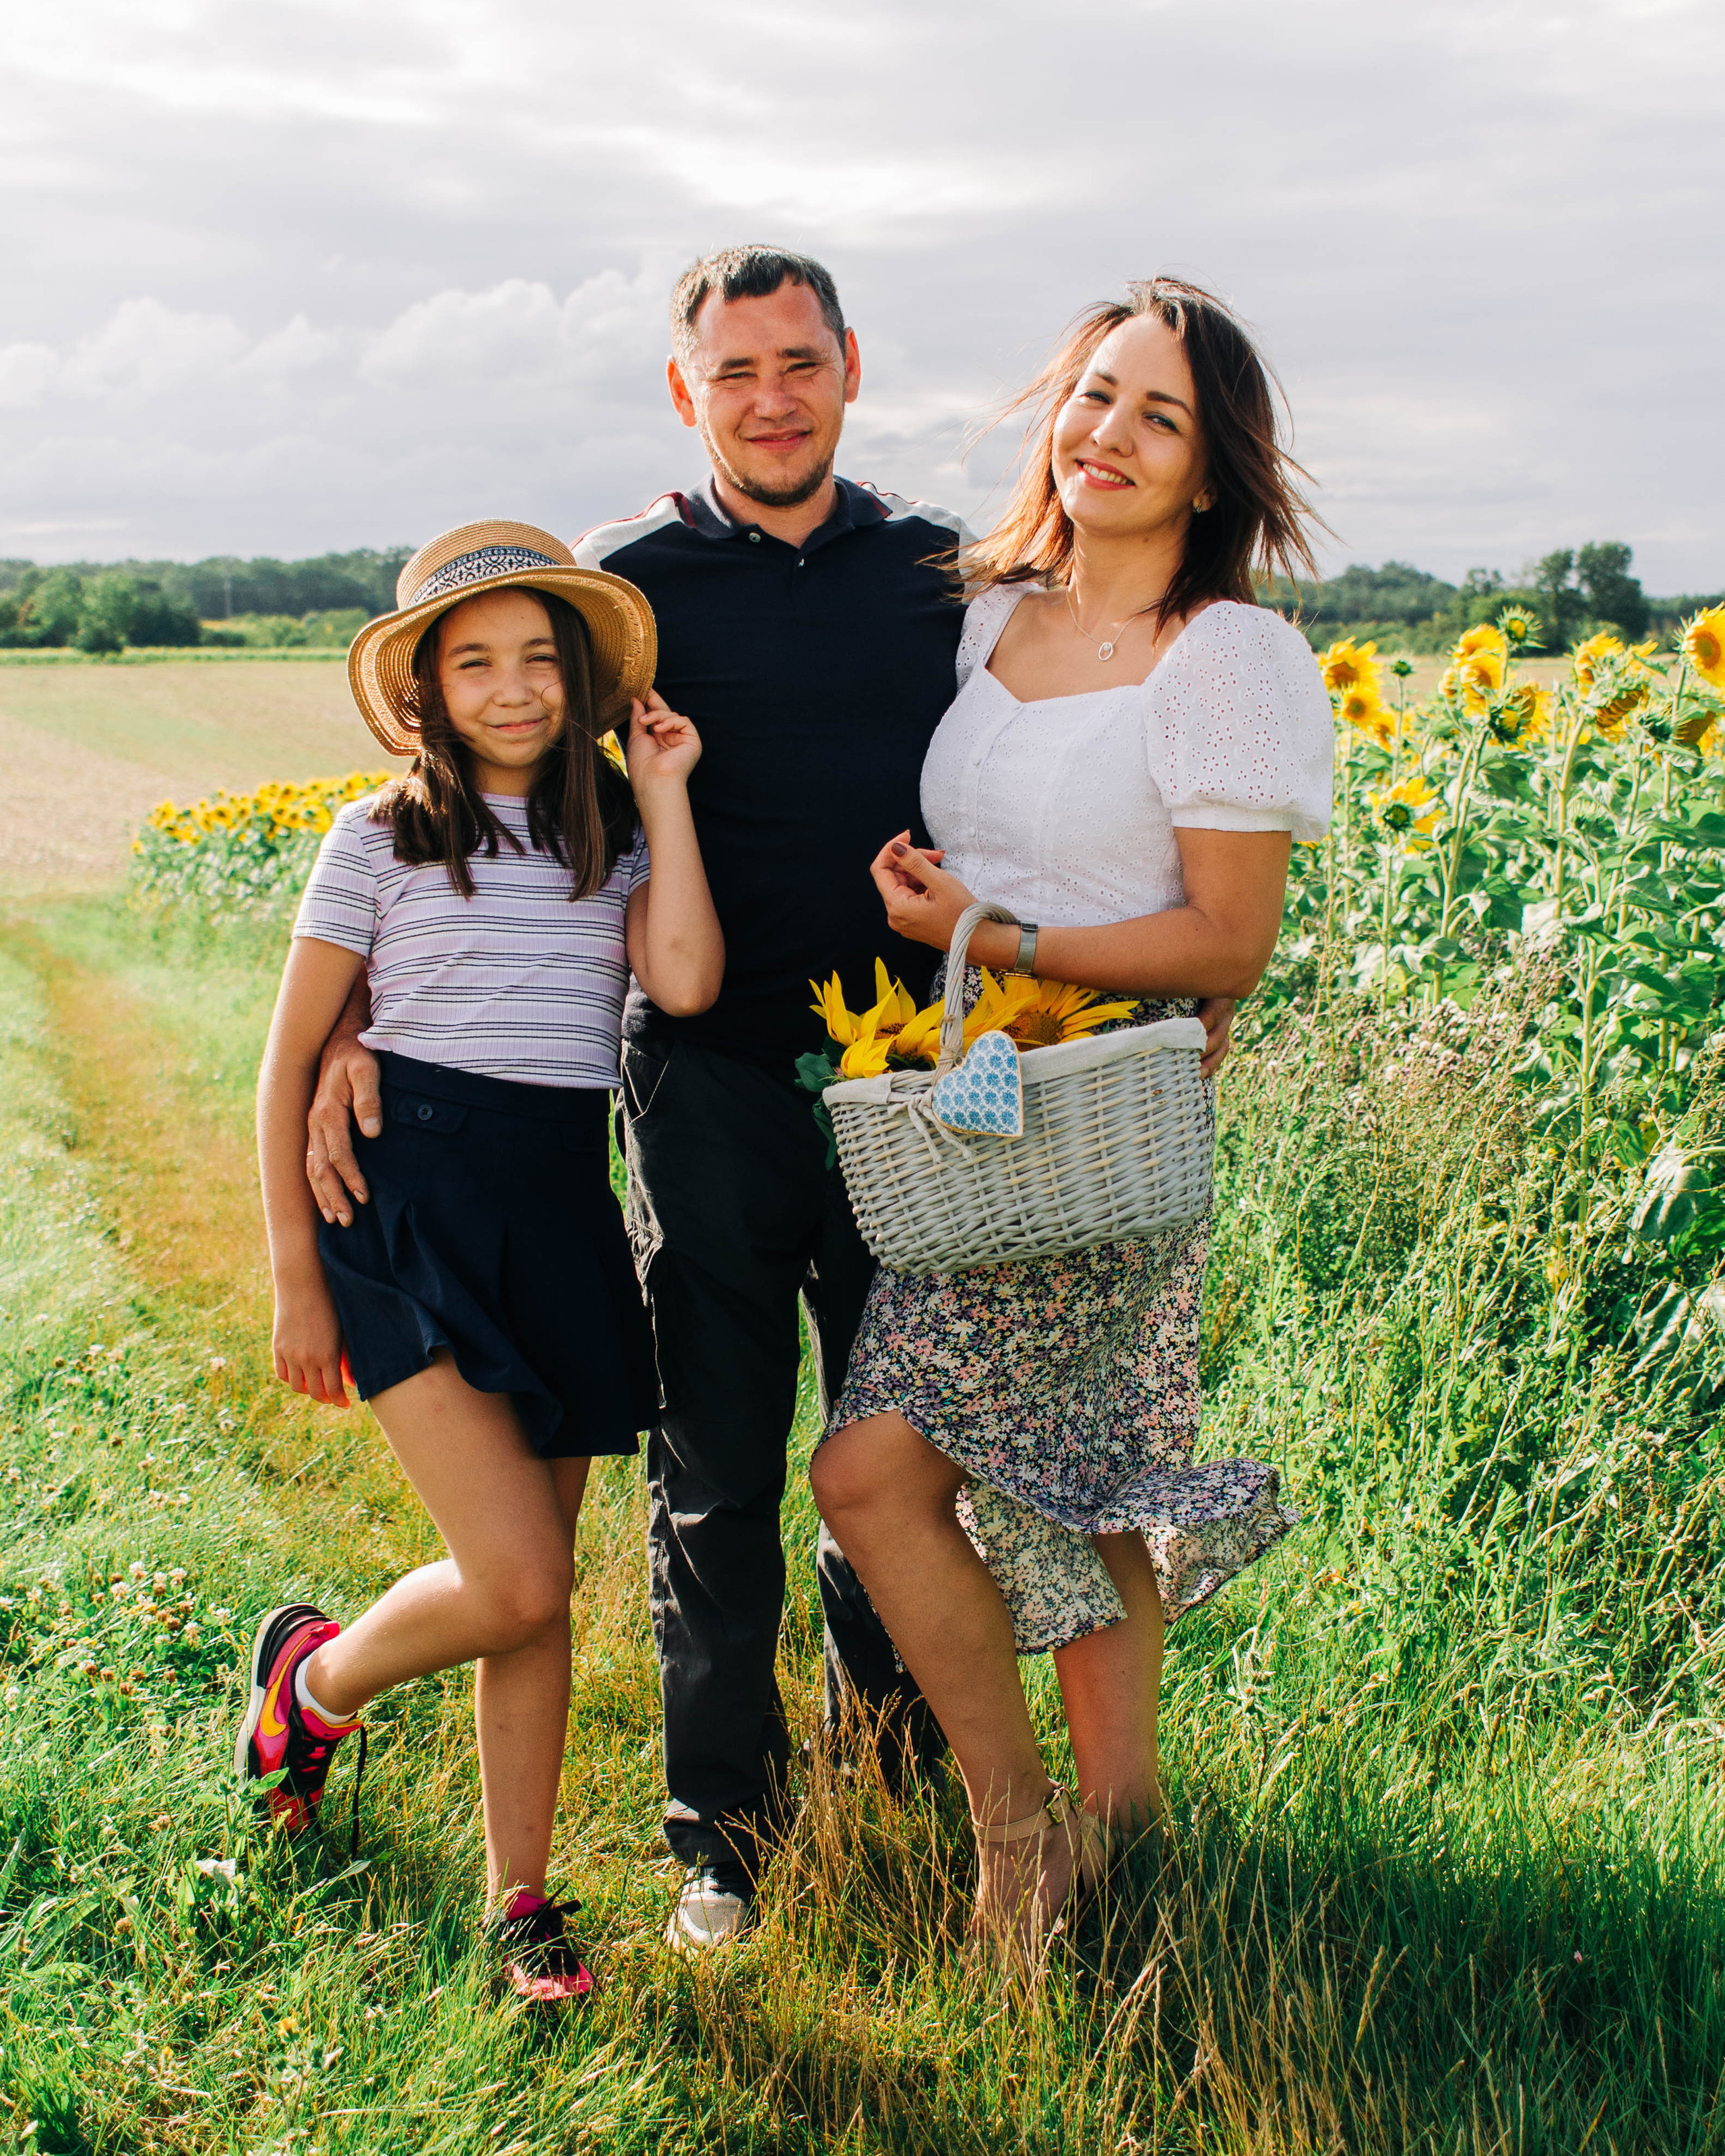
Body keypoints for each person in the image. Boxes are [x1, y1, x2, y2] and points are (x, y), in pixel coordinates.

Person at [303, 249, 1236, 1952]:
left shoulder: (937, 579)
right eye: (733, 372)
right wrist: (364, 1009)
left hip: (918, 1100)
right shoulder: (631, 593)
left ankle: (888, 1771)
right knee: (717, 1465)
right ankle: (722, 1833)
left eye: (797, 361)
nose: (770, 395)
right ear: (686, 394)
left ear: (850, 368)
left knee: (897, 1468)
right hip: (709, 1085)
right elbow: (492, 807)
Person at [810, 277, 1332, 1959]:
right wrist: (944, 910)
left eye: (1157, 416)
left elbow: (1225, 938)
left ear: (1209, 470)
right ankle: (1117, 1825)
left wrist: (982, 932)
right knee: (1073, 1479)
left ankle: (1018, 1835)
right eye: (1094, 394)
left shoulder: (1225, 655)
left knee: (872, 1471)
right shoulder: (986, 619)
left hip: (1105, 1131)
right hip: (968, 1125)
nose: (1107, 433)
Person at [247, 520, 721, 2002]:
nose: (511, 689)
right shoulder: (377, 835)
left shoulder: (613, 833)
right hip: (403, 1206)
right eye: (475, 663)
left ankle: (523, 1902)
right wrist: (293, 1271)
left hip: (558, 1209)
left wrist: (663, 793)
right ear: (426, 691)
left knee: (538, 1588)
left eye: (537, 658)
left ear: (578, 677)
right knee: (511, 1577)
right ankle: (311, 1685)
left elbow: (687, 979)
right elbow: (282, 1066)